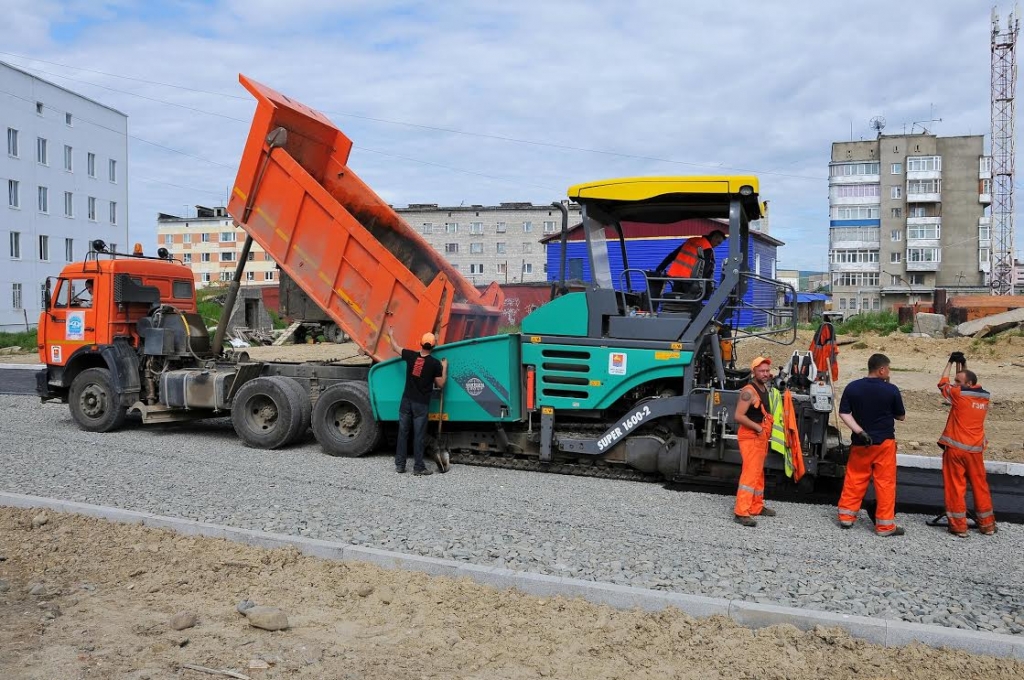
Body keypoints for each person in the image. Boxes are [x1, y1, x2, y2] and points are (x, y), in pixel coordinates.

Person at [836, 353, 907, 536]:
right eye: (888, 369)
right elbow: (901, 416)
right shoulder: (891, 390)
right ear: (882, 370)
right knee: (885, 483)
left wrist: (859, 431)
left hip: (861, 442)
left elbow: (844, 413)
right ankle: (884, 526)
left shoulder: (853, 387)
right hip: (884, 443)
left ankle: (846, 517)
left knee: (855, 478)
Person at [938, 352, 996, 537]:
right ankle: (987, 525)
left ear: (967, 384)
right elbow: (965, 381)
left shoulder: (957, 394)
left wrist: (949, 362)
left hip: (956, 450)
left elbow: (942, 383)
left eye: (958, 381)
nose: (955, 384)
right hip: (975, 450)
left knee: (956, 487)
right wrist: (962, 365)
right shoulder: (983, 396)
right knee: (980, 486)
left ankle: (958, 527)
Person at [387, 326, 447, 476]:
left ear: (420, 343)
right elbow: (440, 384)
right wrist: (444, 367)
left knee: (403, 433)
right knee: (418, 436)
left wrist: (391, 334)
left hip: (406, 401)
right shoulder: (435, 364)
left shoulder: (410, 356)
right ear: (433, 346)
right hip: (420, 404)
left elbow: (395, 347)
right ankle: (418, 467)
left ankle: (400, 465)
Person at [732, 356, 777, 527]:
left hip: (759, 436)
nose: (765, 374)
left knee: (758, 473)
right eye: (761, 371)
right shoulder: (748, 392)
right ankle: (741, 512)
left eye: (767, 371)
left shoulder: (763, 387)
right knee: (750, 474)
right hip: (751, 436)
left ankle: (756, 506)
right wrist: (758, 429)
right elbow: (738, 416)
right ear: (754, 372)